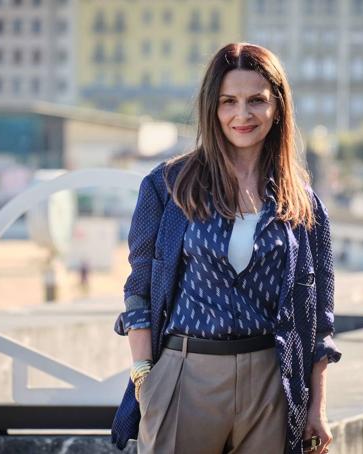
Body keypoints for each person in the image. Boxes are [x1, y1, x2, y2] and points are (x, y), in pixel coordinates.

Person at [111, 43, 342, 454]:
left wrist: (316, 405)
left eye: (257, 101)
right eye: (228, 101)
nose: (242, 115)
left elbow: (320, 317)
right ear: (211, 108)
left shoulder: (302, 202)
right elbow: (139, 288)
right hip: (185, 374)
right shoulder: (168, 186)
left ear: (278, 107)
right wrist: (146, 377)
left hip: (271, 382)